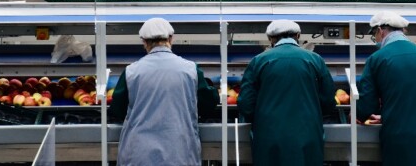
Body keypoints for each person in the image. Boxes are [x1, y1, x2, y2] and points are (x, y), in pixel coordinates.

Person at [110, 18, 219, 166]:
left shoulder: (131, 72)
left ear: (144, 42)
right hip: (180, 153)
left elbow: (117, 109)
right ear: (171, 39)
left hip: (139, 154)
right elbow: (208, 103)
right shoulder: (191, 70)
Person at [357, 11, 416, 166]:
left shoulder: (377, 58)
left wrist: (358, 115)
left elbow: (368, 104)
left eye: (374, 34)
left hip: (402, 133)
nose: (376, 38)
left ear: (381, 30)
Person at [238, 20, 337, 166]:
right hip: (308, 136)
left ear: (270, 39)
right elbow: (328, 101)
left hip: (268, 137)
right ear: (298, 36)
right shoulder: (316, 60)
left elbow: (246, 103)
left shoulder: (258, 61)